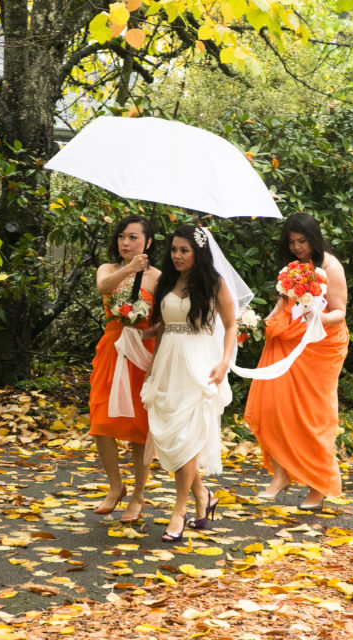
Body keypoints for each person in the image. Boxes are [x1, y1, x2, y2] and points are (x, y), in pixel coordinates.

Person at [243, 212, 349, 510]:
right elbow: (285, 300)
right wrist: (267, 318)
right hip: (288, 339)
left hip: (322, 347)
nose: (297, 247)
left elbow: (340, 311)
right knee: (272, 407)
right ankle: (280, 476)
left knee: (314, 417)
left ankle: (319, 485)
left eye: (302, 241)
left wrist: (319, 317)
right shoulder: (293, 266)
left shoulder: (331, 266)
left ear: (314, 238)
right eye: (291, 242)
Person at [141, 225, 237, 542]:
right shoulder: (168, 282)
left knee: (187, 437)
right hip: (169, 363)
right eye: (173, 250)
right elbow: (166, 326)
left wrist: (224, 362)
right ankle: (203, 497)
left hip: (199, 364)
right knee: (173, 438)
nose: (178, 256)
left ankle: (179, 510)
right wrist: (148, 343)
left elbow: (230, 324)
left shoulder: (213, 284)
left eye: (184, 250)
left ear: (198, 253)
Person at [89, 215, 161, 523]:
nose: (125, 243)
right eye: (121, 237)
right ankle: (115, 486)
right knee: (100, 421)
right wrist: (130, 270)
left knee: (138, 430)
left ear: (148, 242)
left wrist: (145, 332)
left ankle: (139, 494)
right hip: (111, 349)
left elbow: (165, 320)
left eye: (133, 237)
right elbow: (103, 288)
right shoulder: (108, 269)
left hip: (143, 352)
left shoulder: (158, 277)